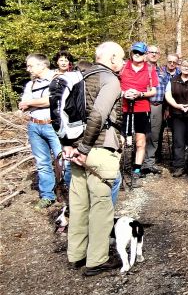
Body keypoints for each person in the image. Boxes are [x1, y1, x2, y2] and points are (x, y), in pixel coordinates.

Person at [63, 41, 125, 276]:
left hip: (76, 149)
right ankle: (97, 259)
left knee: (79, 205)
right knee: (101, 206)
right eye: (119, 58)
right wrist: (85, 148)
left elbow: (66, 113)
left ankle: (76, 254)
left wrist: (70, 146)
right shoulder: (110, 80)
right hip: (97, 150)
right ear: (110, 58)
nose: (122, 63)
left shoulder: (79, 77)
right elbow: (98, 114)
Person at [18, 54, 65, 209]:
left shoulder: (57, 79)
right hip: (34, 126)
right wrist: (36, 103)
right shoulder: (30, 84)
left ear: (42, 65)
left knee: (63, 161)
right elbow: (22, 105)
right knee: (42, 163)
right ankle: (47, 196)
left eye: (30, 65)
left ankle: (68, 192)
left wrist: (31, 102)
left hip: (53, 125)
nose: (28, 69)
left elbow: (51, 100)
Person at [119, 41, 158, 188]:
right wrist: (124, 93)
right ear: (131, 53)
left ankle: (136, 172)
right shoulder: (122, 67)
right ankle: (118, 173)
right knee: (121, 142)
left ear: (144, 55)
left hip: (142, 108)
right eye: (135, 52)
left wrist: (140, 94)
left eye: (140, 53)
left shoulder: (149, 70)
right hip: (123, 108)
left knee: (140, 142)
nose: (137, 55)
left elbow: (153, 91)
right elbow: (113, 86)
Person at [142, 46, 176, 176]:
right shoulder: (140, 68)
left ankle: (149, 163)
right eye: (151, 52)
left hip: (157, 105)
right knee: (140, 135)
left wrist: (167, 108)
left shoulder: (162, 70)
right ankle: (138, 162)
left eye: (157, 52)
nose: (154, 54)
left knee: (154, 135)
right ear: (146, 54)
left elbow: (168, 91)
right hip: (142, 104)